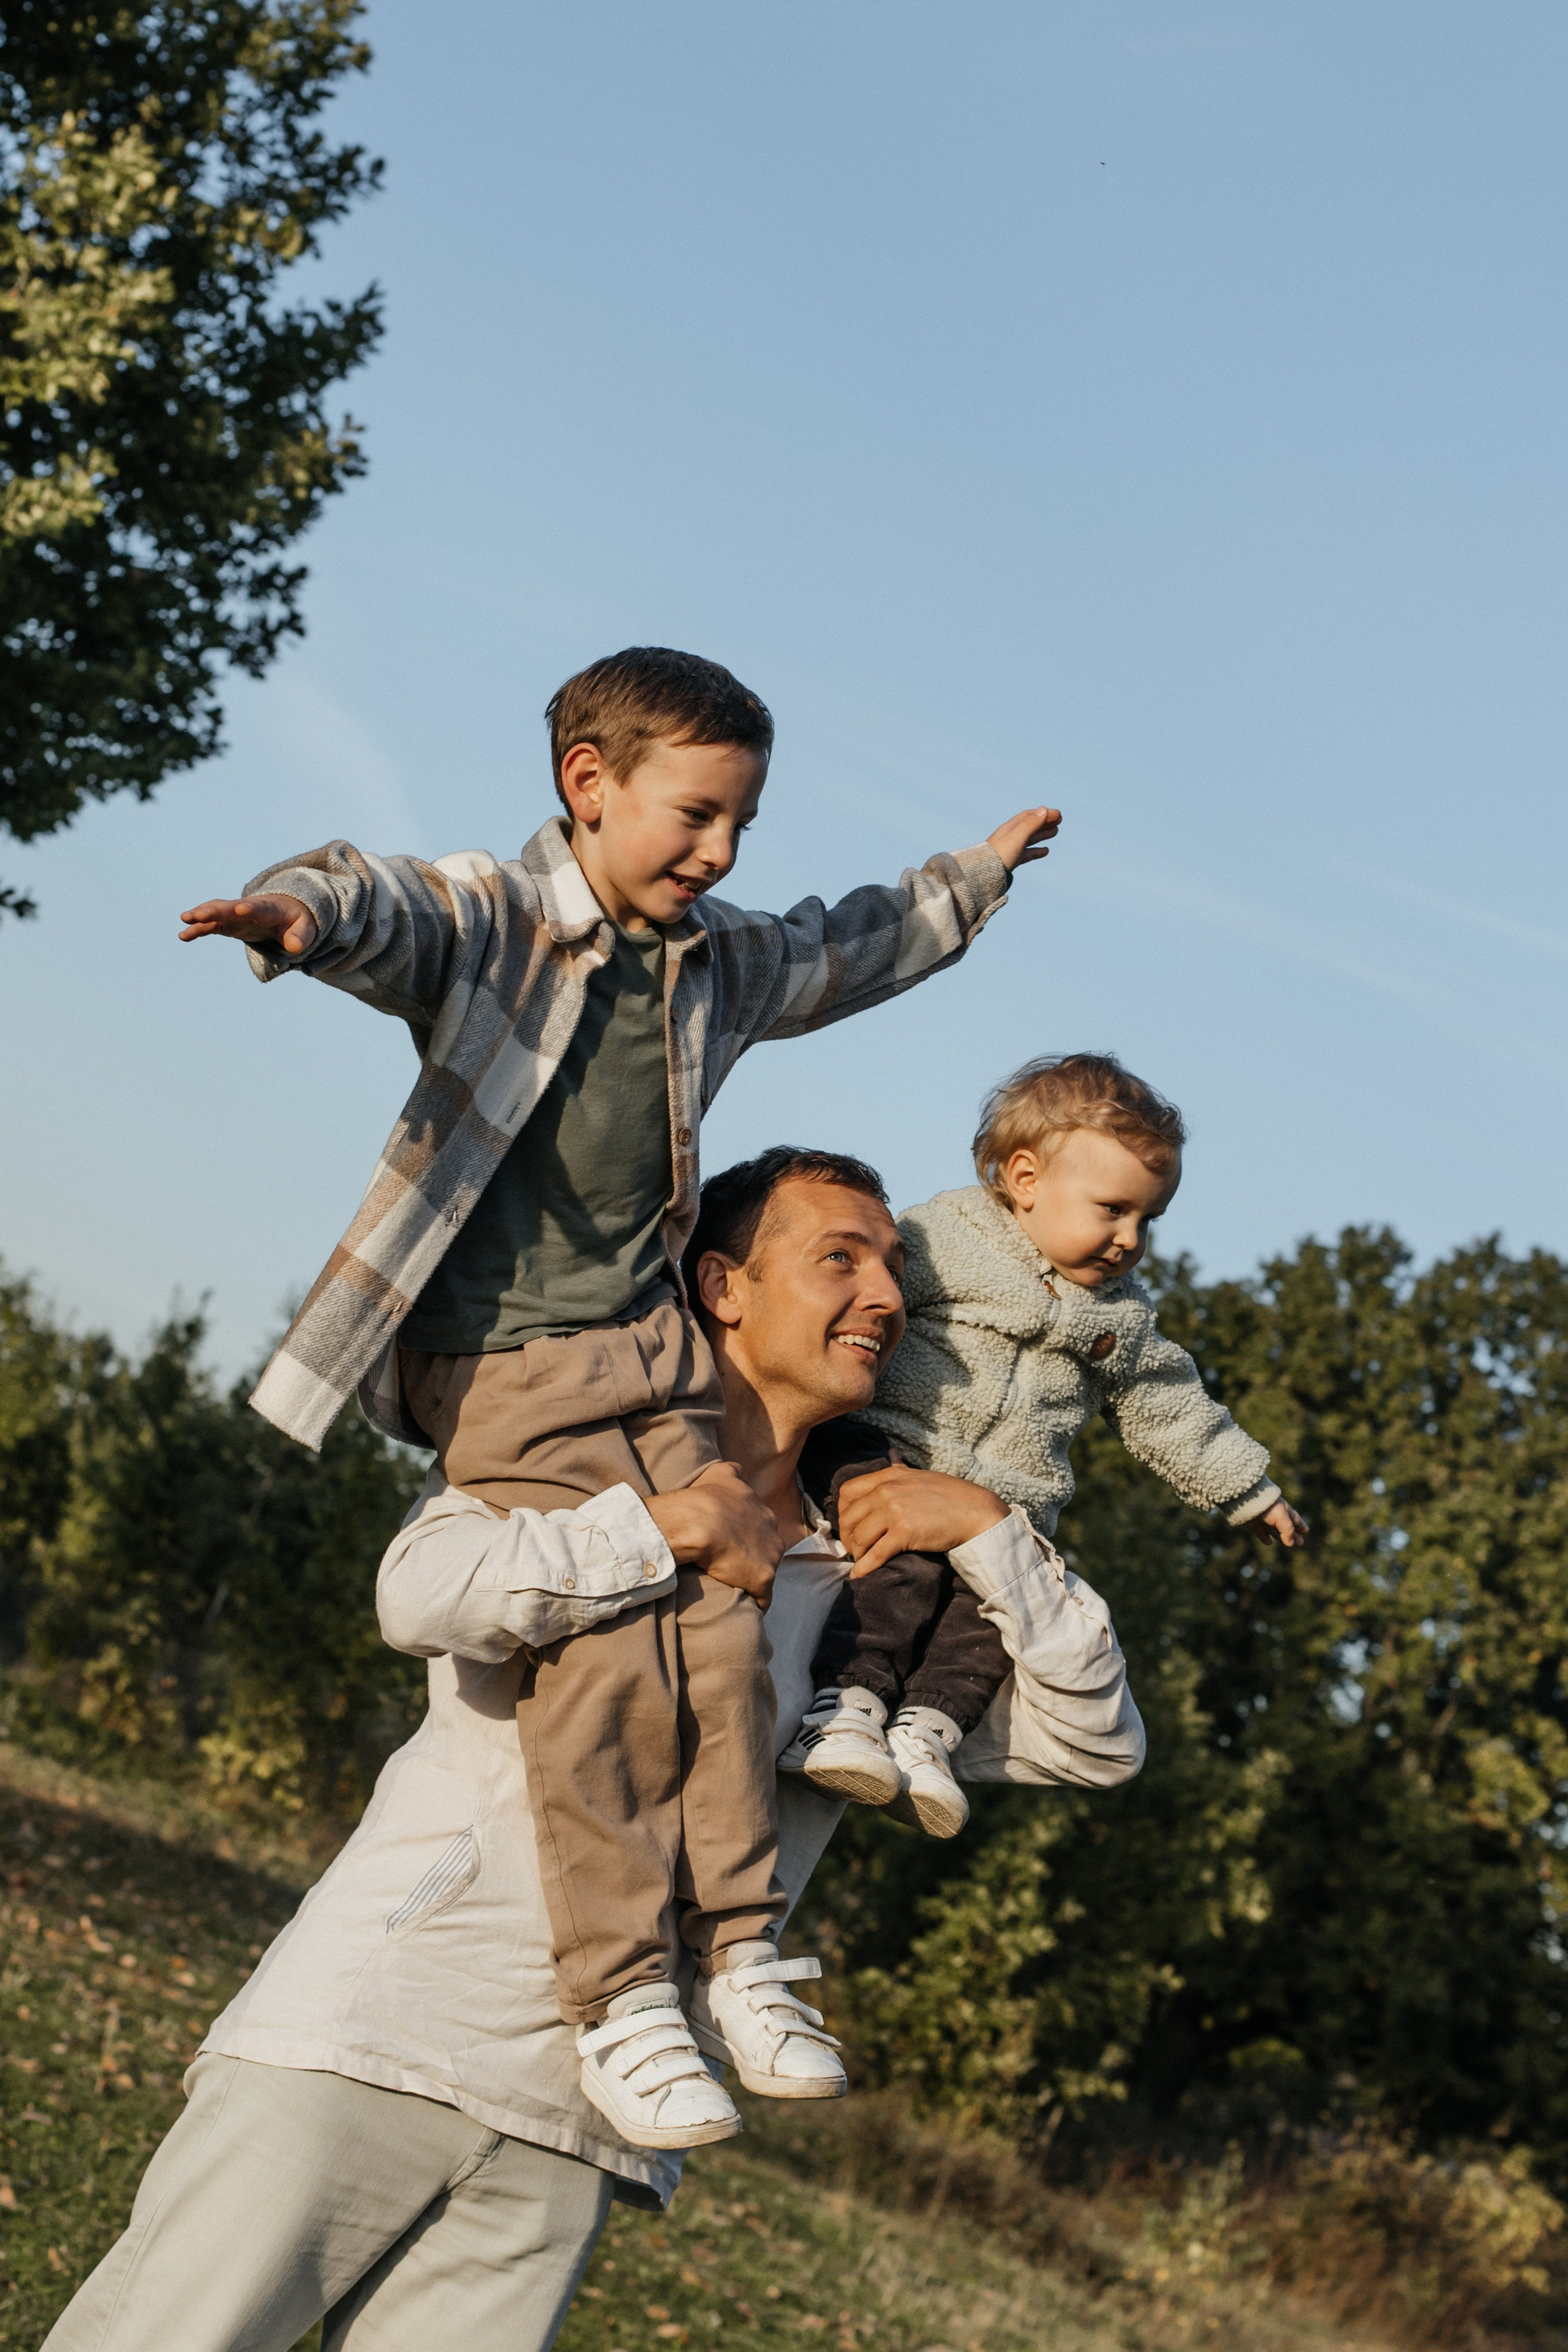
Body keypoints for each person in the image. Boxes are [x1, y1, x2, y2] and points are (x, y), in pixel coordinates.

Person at [177, 646, 1061, 2147]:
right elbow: (376, 896)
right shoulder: (497, 919)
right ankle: (616, 1994)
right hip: (509, 1368)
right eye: (693, 817)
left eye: (739, 827)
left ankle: (736, 1945)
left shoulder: (710, 958)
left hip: (647, 1351)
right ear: (589, 786)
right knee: (609, 1634)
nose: (716, 854)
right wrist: (296, 918)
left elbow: (844, 949)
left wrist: (968, 881)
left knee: (720, 1623)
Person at [43, 1147, 1144, 2352]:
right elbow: (421, 1591)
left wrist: (988, 1534)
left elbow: (1091, 1742)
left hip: (595, 2117)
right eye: (840, 1260)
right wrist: (658, 1532)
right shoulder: (581, 1454)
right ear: (724, 1287)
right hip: (375, 2035)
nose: (885, 1297)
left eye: (893, 1271)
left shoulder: (886, 1589)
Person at [780, 1053, 1309, 1836]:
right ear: (1025, 1179)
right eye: (1112, 1209)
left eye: (1147, 1221)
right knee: (903, 1572)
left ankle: (924, 1734)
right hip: (887, 1446)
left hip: (1003, 1504)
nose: (1129, 1239)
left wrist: (1246, 1488)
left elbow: (1169, 1406)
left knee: (993, 1616)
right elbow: (869, 1298)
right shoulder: (944, 1237)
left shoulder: (1121, 1318)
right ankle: (846, 1706)